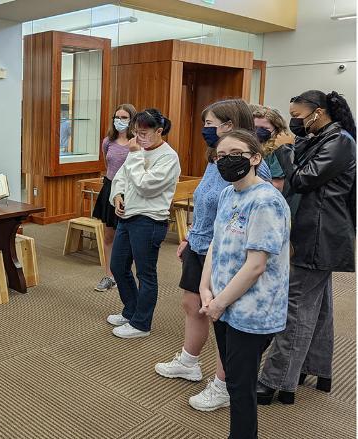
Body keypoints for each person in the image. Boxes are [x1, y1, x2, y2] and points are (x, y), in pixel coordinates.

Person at [154, 99, 272, 412]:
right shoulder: (215, 158)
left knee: (225, 321)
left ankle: (223, 385)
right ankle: (189, 362)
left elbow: (253, 218)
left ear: (231, 124)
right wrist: (190, 235)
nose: (206, 130)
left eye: (211, 124)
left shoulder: (250, 163)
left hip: (230, 255)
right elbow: (205, 201)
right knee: (192, 304)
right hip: (200, 245)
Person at [257, 90, 356, 405]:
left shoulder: (338, 141)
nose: (293, 122)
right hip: (313, 230)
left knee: (296, 307)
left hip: (319, 234)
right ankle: (315, 368)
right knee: (319, 305)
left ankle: (277, 381)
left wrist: (286, 151)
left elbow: (300, 180)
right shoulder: (318, 138)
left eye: (298, 116)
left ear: (319, 112)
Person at [199, 129, 291, 439]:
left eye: (236, 154)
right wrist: (205, 287)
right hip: (222, 303)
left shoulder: (266, 201)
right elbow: (216, 242)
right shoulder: (229, 193)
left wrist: (219, 302)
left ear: (255, 158)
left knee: (240, 387)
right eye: (221, 156)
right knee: (234, 380)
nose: (227, 161)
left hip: (251, 311)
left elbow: (256, 266)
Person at [105, 108, 181, 339]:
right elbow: (121, 178)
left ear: (159, 131)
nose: (138, 138)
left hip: (149, 221)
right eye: (136, 132)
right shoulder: (137, 150)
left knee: (146, 274)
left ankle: (141, 324)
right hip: (127, 218)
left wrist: (136, 154)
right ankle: (131, 311)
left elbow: (145, 185)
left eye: (144, 133)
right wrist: (117, 195)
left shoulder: (168, 157)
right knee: (118, 267)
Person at [92, 104, 137, 292]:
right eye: (117, 117)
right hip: (110, 188)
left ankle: (123, 274)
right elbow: (107, 163)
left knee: (126, 237)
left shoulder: (137, 142)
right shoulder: (107, 141)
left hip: (130, 192)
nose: (120, 120)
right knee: (108, 235)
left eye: (124, 117)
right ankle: (109, 276)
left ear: (132, 119)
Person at [251, 104, 295, 193]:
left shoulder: (277, 149)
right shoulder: (253, 146)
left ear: (277, 129)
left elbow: (277, 186)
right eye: (255, 128)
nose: (258, 131)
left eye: (264, 128)